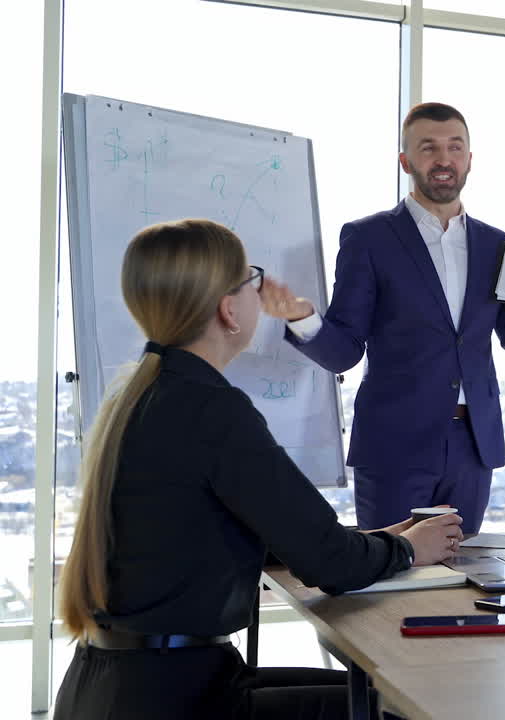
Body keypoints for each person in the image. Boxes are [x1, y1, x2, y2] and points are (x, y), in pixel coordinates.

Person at [54, 219, 462, 719]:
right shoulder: (212, 410)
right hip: (175, 697)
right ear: (228, 310)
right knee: (403, 708)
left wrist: (380, 539)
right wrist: (406, 549)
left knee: (378, 691)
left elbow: (259, 533)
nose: (259, 293)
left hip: (129, 683)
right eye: (250, 280)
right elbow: (329, 565)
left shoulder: (147, 395)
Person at [259, 102, 505, 532]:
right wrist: (303, 318)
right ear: (405, 161)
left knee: (463, 589)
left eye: (455, 148)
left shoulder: (499, 246)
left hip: (474, 450)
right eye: (429, 148)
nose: (443, 159)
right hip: (393, 449)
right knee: (391, 586)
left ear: (470, 160)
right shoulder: (368, 238)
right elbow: (345, 350)